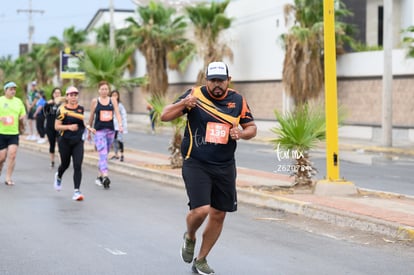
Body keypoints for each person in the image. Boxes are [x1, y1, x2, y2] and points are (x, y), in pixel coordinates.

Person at [160, 61, 257, 275]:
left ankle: (201, 260)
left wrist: (241, 134)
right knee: (201, 209)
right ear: (206, 80)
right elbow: (164, 115)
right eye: (212, 81)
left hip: (224, 165)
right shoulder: (195, 95)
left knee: (219, 213)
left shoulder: (238, 100)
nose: (217, 85)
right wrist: (184, 104)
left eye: (221, 80)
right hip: (196, 162)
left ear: (228, 80)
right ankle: (190, 236)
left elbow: (251, 127)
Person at [54, 86, 92, 201]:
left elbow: (81, 122)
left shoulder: (80, 109)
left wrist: (89, 127)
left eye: (75, 95)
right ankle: (59, 175)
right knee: (65, 164)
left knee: (77, 165)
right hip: (64, 141)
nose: (73, 97)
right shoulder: (62, 109)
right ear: (67, 96)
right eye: (71, 95)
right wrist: (69, 127)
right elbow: (56, 126)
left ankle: (77, 191)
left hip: (78, 141)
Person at [87, 80, 123, 189]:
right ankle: (106, 176)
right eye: (102, 89)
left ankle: (99, 177)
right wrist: (89, 129)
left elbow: (117, 113)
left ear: (109, 90)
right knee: (102, 152)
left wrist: (120, 125)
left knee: (105, 154)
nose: (104, 91)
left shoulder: (113, 100)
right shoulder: (95, 101)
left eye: (106, 89)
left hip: (110, 131)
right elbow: (91, 116)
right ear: (98, 90)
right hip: (99, 131)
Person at [0, 81, 27, 186]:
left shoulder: (18, 101)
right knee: (1, 158)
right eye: (11, 89)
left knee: (12, 155)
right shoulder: (0, 100)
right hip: (1, 133)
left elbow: (23, 113)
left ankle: (8, 178)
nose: (13, 91)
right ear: (5, 90)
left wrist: (21, 118)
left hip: (13, 133)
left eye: (14, 89)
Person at [43, 87, 62, 168]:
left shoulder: (63, 104)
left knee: (61, 144)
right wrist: (47, 104)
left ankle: (62, 162)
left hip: (60, 127)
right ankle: (52, 161)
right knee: (52, 144)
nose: (57, 94)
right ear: (53, 94)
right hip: (50, 127)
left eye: (59, 93)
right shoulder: (49, 103)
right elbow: (44, 113)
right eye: (55, 93)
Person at [110, 90, 128, 162]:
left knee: (120, 140)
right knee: (114, 140)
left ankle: (122, 154)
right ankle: (116, 154)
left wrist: (123, 125)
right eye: (113, 95)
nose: (114, 97)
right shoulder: (109, 104)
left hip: (119, 126)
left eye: (116, 95)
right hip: (112, 125)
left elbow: (124, 115)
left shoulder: (120, 105)